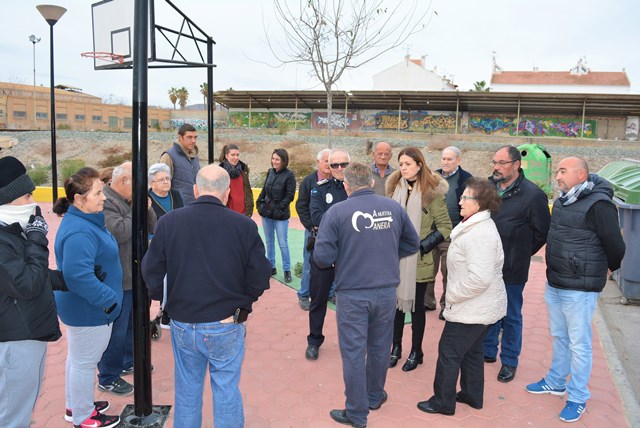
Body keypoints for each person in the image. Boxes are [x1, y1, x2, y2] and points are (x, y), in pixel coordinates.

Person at [142, 164, 271, 428]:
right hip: (225, 322)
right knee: (225, 389)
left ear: (196, 190)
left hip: (182, 321)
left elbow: (150, 269)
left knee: (188, 390)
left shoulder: (169, 222)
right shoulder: (244, 226)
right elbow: (260, 273)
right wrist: (244, 301)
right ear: (226, 194)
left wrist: (164, 300)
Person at [313, 162, 420, 428]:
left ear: (347, 186)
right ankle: (373, 396)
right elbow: (412, 243)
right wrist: (385, 255)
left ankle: (357, 413)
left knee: (353, 352)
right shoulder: (393, 208)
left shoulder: (337, 212)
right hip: (385, 291)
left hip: (352, 294)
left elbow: (323, 258)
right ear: (372, 183)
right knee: (379, 347)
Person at [525, 157, 625, 423]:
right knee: (559, 335)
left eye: (563, 171)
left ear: (581, 175)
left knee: (579, 344)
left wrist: (610, 267)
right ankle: (556, 381)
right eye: (557, 170)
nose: (557, 175)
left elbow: (616, 244)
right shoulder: (561, 201)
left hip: (580, 286)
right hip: (556, 281)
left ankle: (578, 395)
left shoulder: (600, 205)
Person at [417, 178, 507, 416]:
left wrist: (452, 295)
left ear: (479, 204)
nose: (460, 200)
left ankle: (443, 402)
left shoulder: (480, 234)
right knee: (472, 350)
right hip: (477, 306)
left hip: (472, 306)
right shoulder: (475, 226)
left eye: (466, 197)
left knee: (449, 351)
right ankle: (471, 394)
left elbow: (480, 278)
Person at [0, 156, 67, 428]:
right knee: (12, 414)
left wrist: (67, 280)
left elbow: (35, 275)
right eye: (28, 196)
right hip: (17, 337)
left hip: (29, 330)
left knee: (22, 405)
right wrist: (38, 239)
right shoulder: (4, 238)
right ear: (9, 199)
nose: (33, 203)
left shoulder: (12, 230)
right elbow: (27, 284)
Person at [53, 167, 122, 428]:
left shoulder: (85, 221)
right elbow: (77, 276)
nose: (103, 197)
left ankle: (76, 406)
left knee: (78, 359)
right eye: (97, 193)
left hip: (86, 308)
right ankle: (83, 417)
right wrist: (109, 300)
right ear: (79, 199)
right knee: (84, 363)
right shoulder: (80, 231)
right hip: (90, 309)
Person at [483, 145, 550, 383]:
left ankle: (509, 361)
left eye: (502, 163)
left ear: (516, 165)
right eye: (494, 162)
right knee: (489, 311)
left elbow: (542, 232)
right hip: (486, 265)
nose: (496, 167)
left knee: (511, 316)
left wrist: (519, 252)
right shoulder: (488, 188)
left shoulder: (533, 195)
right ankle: (488, 350)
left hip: (512, 268)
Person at [385, 147, 452, 372]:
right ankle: (395, 348)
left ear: (419, 165)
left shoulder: (431, 192)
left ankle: (416, 351)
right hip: (394, 259)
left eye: (407, 164)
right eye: (401, 164)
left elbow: (445, 226)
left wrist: (423, 246)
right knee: (395, 307)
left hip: (418, 260)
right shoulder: (394, 188)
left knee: (417, 309)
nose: (402, 168)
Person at [97, 162, 157, 396]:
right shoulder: (107, 201)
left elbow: (153, 225)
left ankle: (127, 361)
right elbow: (119, 231)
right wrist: (137, 209)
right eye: (137, 182)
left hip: (134, 274)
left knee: (133, 324)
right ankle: (108, 376)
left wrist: (146, 209)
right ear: (123, 181)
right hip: (119, 278)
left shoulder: (128, 201)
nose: (141, 188)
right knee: (118, 329)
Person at [305, 149, 350, 361]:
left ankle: (351, 341)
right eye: (335, 165)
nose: (340, 169)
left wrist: (335, 220)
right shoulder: (320, 189)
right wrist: (345, 221)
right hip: (324, 253)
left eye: (344, 164)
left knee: (352, 300)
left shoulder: (357, 190)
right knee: (318, 299)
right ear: (329, 167)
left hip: (350, 254)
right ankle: (314, 340)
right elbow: (316, 217)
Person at [428, 146, 473, 320]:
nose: (446, 162)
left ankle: (446, 306)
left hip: (453, 233)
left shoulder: (466, 178)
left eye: (450, 159)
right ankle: (427, 301)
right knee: (428, 269)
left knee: (449, 272)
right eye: (444, 158)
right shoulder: (433, 177)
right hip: (432, 231)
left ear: (458, 160)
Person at [295, 148, 332, 310]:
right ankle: (304, 294)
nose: (329, 165)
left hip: (333, 232)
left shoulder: (338, 181)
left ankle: (331, 292)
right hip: (313, 232)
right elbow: (301, 206)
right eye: (326, 161)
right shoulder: (309, 181)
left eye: (332, 162)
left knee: (334, 263)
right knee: (310, 264)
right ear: (318, 162)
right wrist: (311, 226)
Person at [148, 162, 183, 329]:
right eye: (161, 179)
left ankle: (169, 312)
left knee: (176, 279)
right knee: (161, 280)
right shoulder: (147, 199)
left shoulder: (176, 195)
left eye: (167, 178)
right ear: (152, 183)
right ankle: (160, 313)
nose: (166, 182)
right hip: (156, 245)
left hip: (177, 243)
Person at [256, 148, 296, 282]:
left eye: (277, 159)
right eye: (273, 158)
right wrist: (259, 203)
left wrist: (278, 208)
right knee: (269, 242)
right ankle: (271, 267)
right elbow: (264, 190)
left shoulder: (289, 176)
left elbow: (290, 196)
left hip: (280, 216)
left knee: (283, 243)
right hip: (266, 213)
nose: (274, 161)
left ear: (284, 161)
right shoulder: (270, 172)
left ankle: (286, 270)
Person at [160, 123, 200, 205]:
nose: (193, 141)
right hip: (177, 208)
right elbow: (161, 186)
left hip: (195, 206)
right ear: (179, 137)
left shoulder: (195, 157)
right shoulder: (168, 156)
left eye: (195, 137)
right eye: (189, 137)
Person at [219, 144, 254, 217]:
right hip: (227, 214)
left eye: (237, 155)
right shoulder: (220, 172)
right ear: (226, 156)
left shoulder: (244, 169)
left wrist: (250, 208)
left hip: (244, 214)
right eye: (233, 155)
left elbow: (248, 191)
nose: (236, 157)